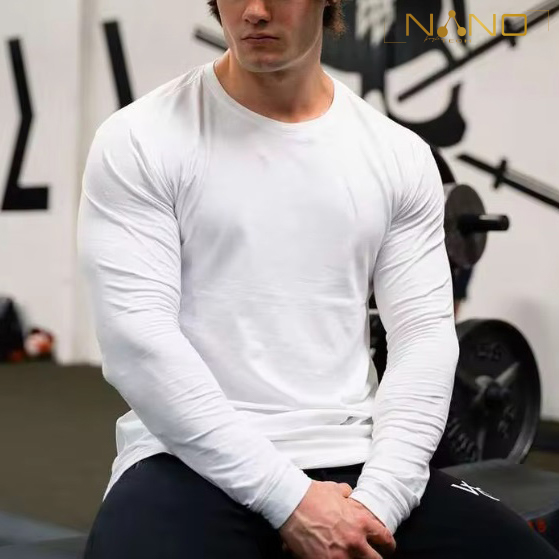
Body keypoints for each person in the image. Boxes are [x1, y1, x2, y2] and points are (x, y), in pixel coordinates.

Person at [76, 1, 559, 558]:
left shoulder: (397, 154)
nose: (255, 11)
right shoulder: (141, 138)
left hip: (355, 454)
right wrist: (290, 501)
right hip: (187, 458)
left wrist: (380, 501)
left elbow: (424, 338)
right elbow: (139, 344)